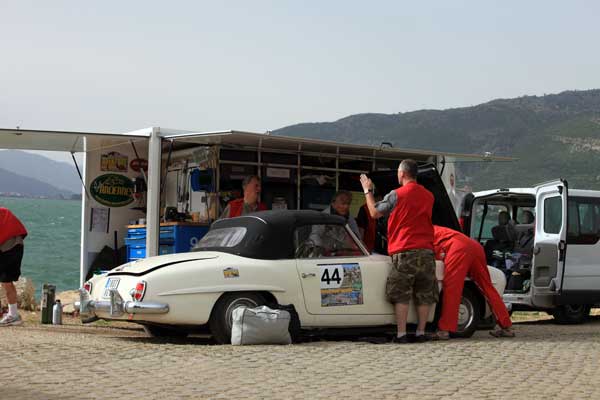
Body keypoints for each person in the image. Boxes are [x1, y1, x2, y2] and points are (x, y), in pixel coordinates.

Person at [360, 159, 437, 343]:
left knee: (401, 293)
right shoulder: (429, 196)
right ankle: (420, 332)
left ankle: (401, 334)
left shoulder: (397, 194)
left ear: (402, 174)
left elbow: (374, 213)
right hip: (427, 251)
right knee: (424, 294)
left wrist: (367, 191)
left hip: (405, 250)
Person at [431, 225, 514, 339]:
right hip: (473, 245)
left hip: (457, 247)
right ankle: (506, 326)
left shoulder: (418, 232)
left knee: (452, 289)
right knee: (487, 287)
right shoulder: (431, 228)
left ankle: (445, 329)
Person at [0, 207, 28, 326]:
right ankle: (13, 314)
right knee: (7, 282)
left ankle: (13, 315)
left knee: (6, 281)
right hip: (17, 246)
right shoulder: (4, 212)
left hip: (8, 248)